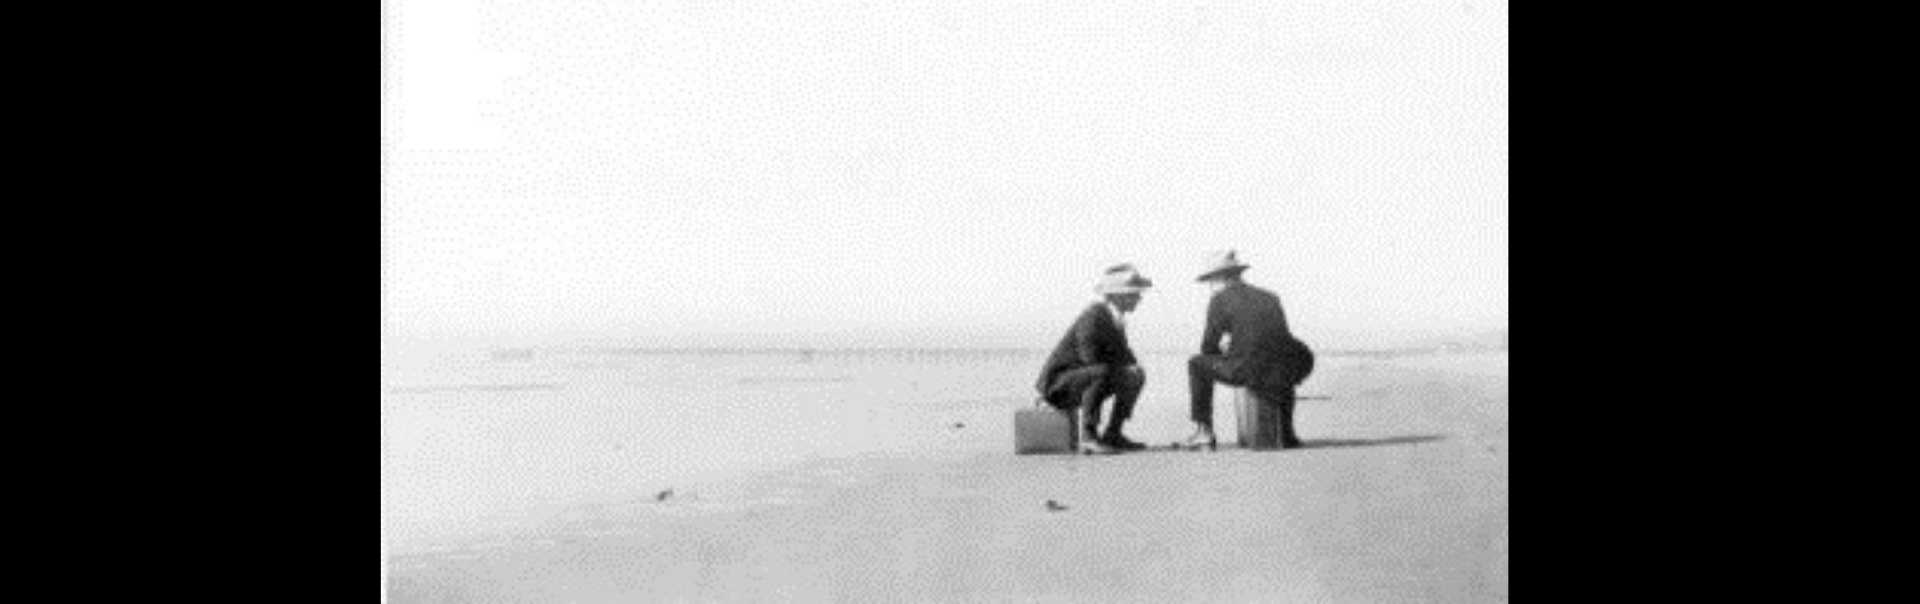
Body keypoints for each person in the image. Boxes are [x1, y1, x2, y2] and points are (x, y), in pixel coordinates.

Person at [1184, 250, 1315, 450]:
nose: (1211, 287)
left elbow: (1208, 347)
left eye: (1211, 281)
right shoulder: (1270, 297)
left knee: (1196, 364)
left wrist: (1227, 352)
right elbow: (1277, 337)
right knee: (1279, 368)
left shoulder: (1219, 300)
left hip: (1248, 369)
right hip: (1287, 365)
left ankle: (1204, 432)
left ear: (1219, 279)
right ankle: (1287, 432)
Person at [1036, 264, 1154, 453]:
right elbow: (1089, 357)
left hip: (1082, 379)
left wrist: (1132, 369)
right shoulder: (1094, 315)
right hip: (1058, 387)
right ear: (1118, 296)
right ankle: (1089, 436)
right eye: (1134, 294)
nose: (1139, 298)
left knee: (1136, 375)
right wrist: (1122, 368)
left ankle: (1113, 433)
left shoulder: (1115, 318)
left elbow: (1125, 355)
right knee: (1102, 372)